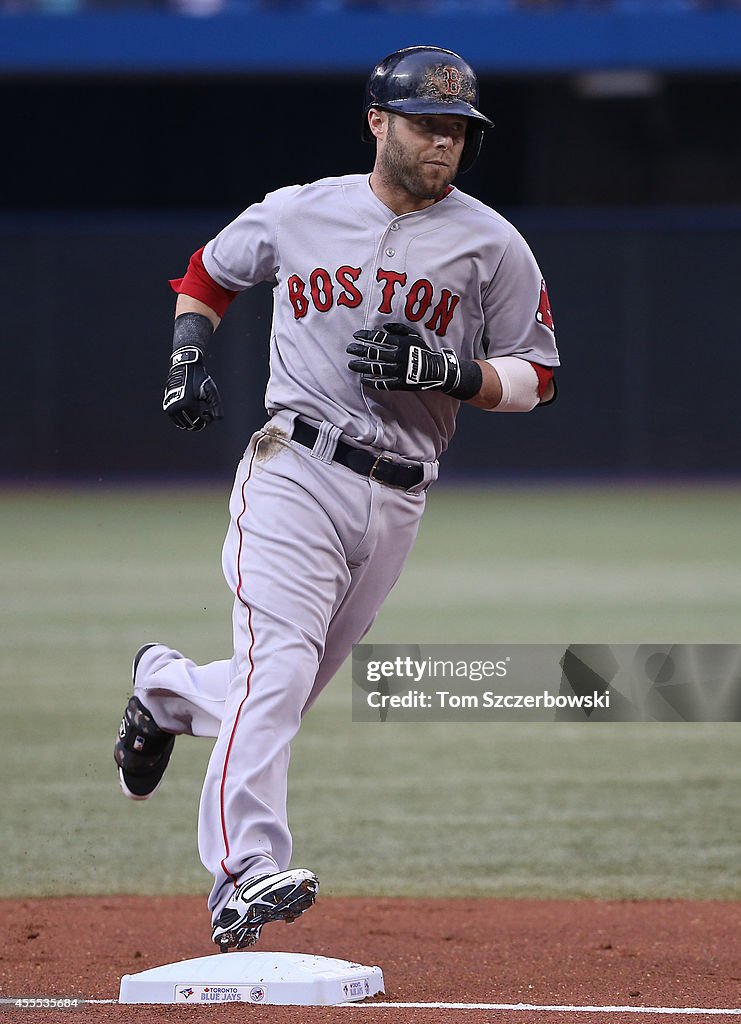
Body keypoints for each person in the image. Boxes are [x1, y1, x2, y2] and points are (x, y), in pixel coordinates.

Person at [113, 44, 560, 953]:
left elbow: (539, 377)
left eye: (459, 131)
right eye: (428, 124)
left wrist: (454, 371)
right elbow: (207, 274)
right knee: (276, 669)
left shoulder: (493, 243)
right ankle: (241, 877)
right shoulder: (300, 211)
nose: (446, 143)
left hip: (400, 495)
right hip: (294, 468)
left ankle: (162, 688)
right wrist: (188, 355)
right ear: (377, 122)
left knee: (277, 691)